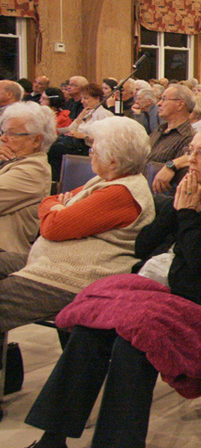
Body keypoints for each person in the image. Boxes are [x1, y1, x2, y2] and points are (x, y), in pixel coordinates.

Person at [0, 121, 201, 448]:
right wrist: (176, 208)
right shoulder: (192, 194)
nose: (190, 160)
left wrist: (186, 214)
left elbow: (198, 266)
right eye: (191, 151)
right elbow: (144, 246)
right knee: (90, 327)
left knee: (133, 339)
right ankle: (53, 442)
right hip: (178, 295)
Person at [0, 117, 155, 334]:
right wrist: (57, 208)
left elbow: (53, 228)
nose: (90, 154)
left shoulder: (121, 193)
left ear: (113, 161)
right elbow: (49, 201)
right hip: (50, 262)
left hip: (73, 278)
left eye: (94, 150)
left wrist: (58, 210)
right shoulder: (105, 181)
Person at [0, 103, 56, 255]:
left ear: (36, 140)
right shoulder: (11, 160)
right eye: (3, 132)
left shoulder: (33, 169)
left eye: (12, 134)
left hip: (6, 253)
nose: (3, 139)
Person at [47, 83, 114, 181]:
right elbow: (70, 129)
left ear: (97, 98)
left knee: (54, 149)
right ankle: (54, 181)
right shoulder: (86, 113)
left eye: (86, 98)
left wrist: (83, 136)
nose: (82, 101)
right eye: (82, 98)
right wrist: (79, 118)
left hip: (88, 148)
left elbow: (107, 139)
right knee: (50, 145)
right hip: (76, 143)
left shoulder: (104, 115)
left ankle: (55, 182)